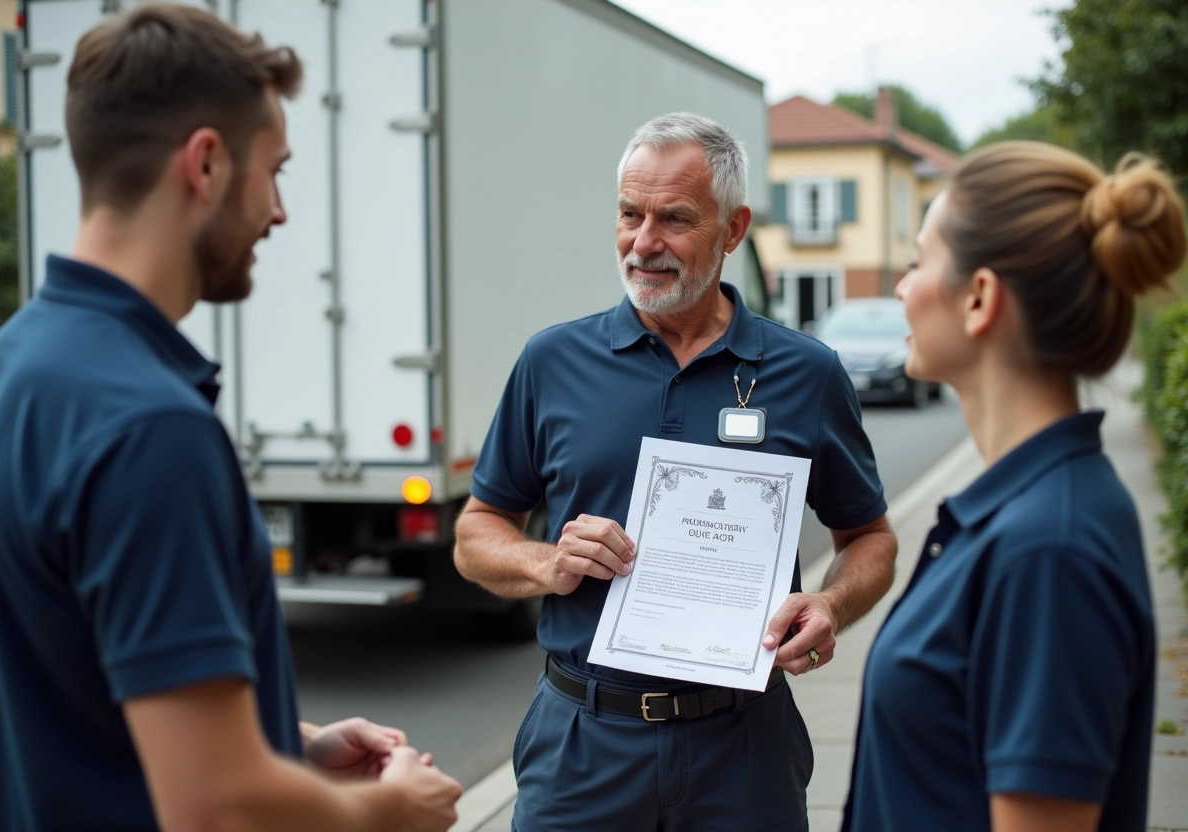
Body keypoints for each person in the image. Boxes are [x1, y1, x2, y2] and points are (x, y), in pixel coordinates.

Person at [0, 6, 461, 831]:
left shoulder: (7, 365)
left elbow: (67, 672)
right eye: (274, 170)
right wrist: (390, 811)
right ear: (204, 163)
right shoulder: (152, 429)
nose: (280, 211)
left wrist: (287, 741)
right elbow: (217, 807)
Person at [453, 112, 899, 831]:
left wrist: (831, 605)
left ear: (733, 228)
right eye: (630, 214)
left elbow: (871, 537)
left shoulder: (806, 374)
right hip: (583, 748)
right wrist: (545, 564)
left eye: (675, 219)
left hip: (742, 747)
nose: (644, 242)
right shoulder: (552, 362)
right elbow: (477, 532)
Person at [843, 142, 1187, 832]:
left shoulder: (1049, 551)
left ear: (979, 298)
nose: (903, 289)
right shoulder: (1027, 513)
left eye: (917, 263)